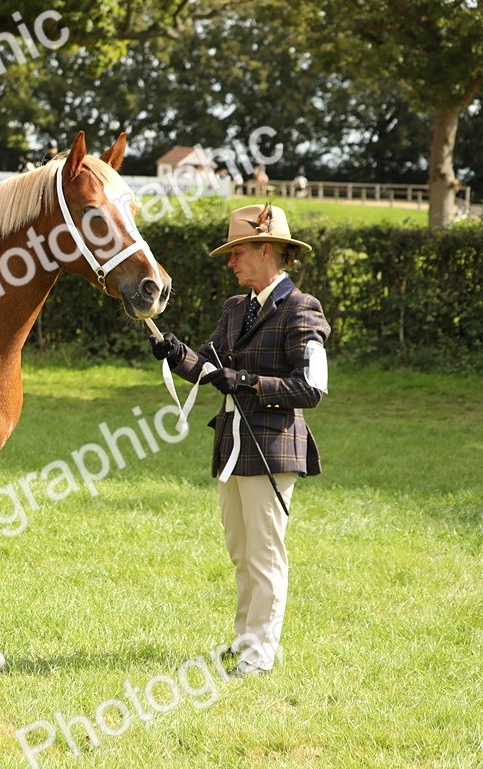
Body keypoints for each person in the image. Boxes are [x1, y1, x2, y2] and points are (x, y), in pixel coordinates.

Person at [150, 203, 330, 678]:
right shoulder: (235, 308)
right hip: (232, 442)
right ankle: (245, 640)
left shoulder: (302, 308)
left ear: (267, 250)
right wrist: (174, 353)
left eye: (238, 252)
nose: (230, 262)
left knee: (264, 553)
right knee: (239, 549)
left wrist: (247, 380)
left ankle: (260, 654)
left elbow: (310, 389)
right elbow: (208, 366)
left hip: (273, 446)